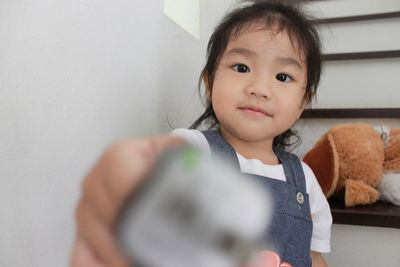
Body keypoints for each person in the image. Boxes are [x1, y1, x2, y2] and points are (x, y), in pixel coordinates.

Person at [71, 1, 332, 266]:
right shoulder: (192, 149)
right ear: (209, 82)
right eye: (242, 68)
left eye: (283, 77)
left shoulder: (305, 180)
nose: (259, 88)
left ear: (303, 102)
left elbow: (313, 256)